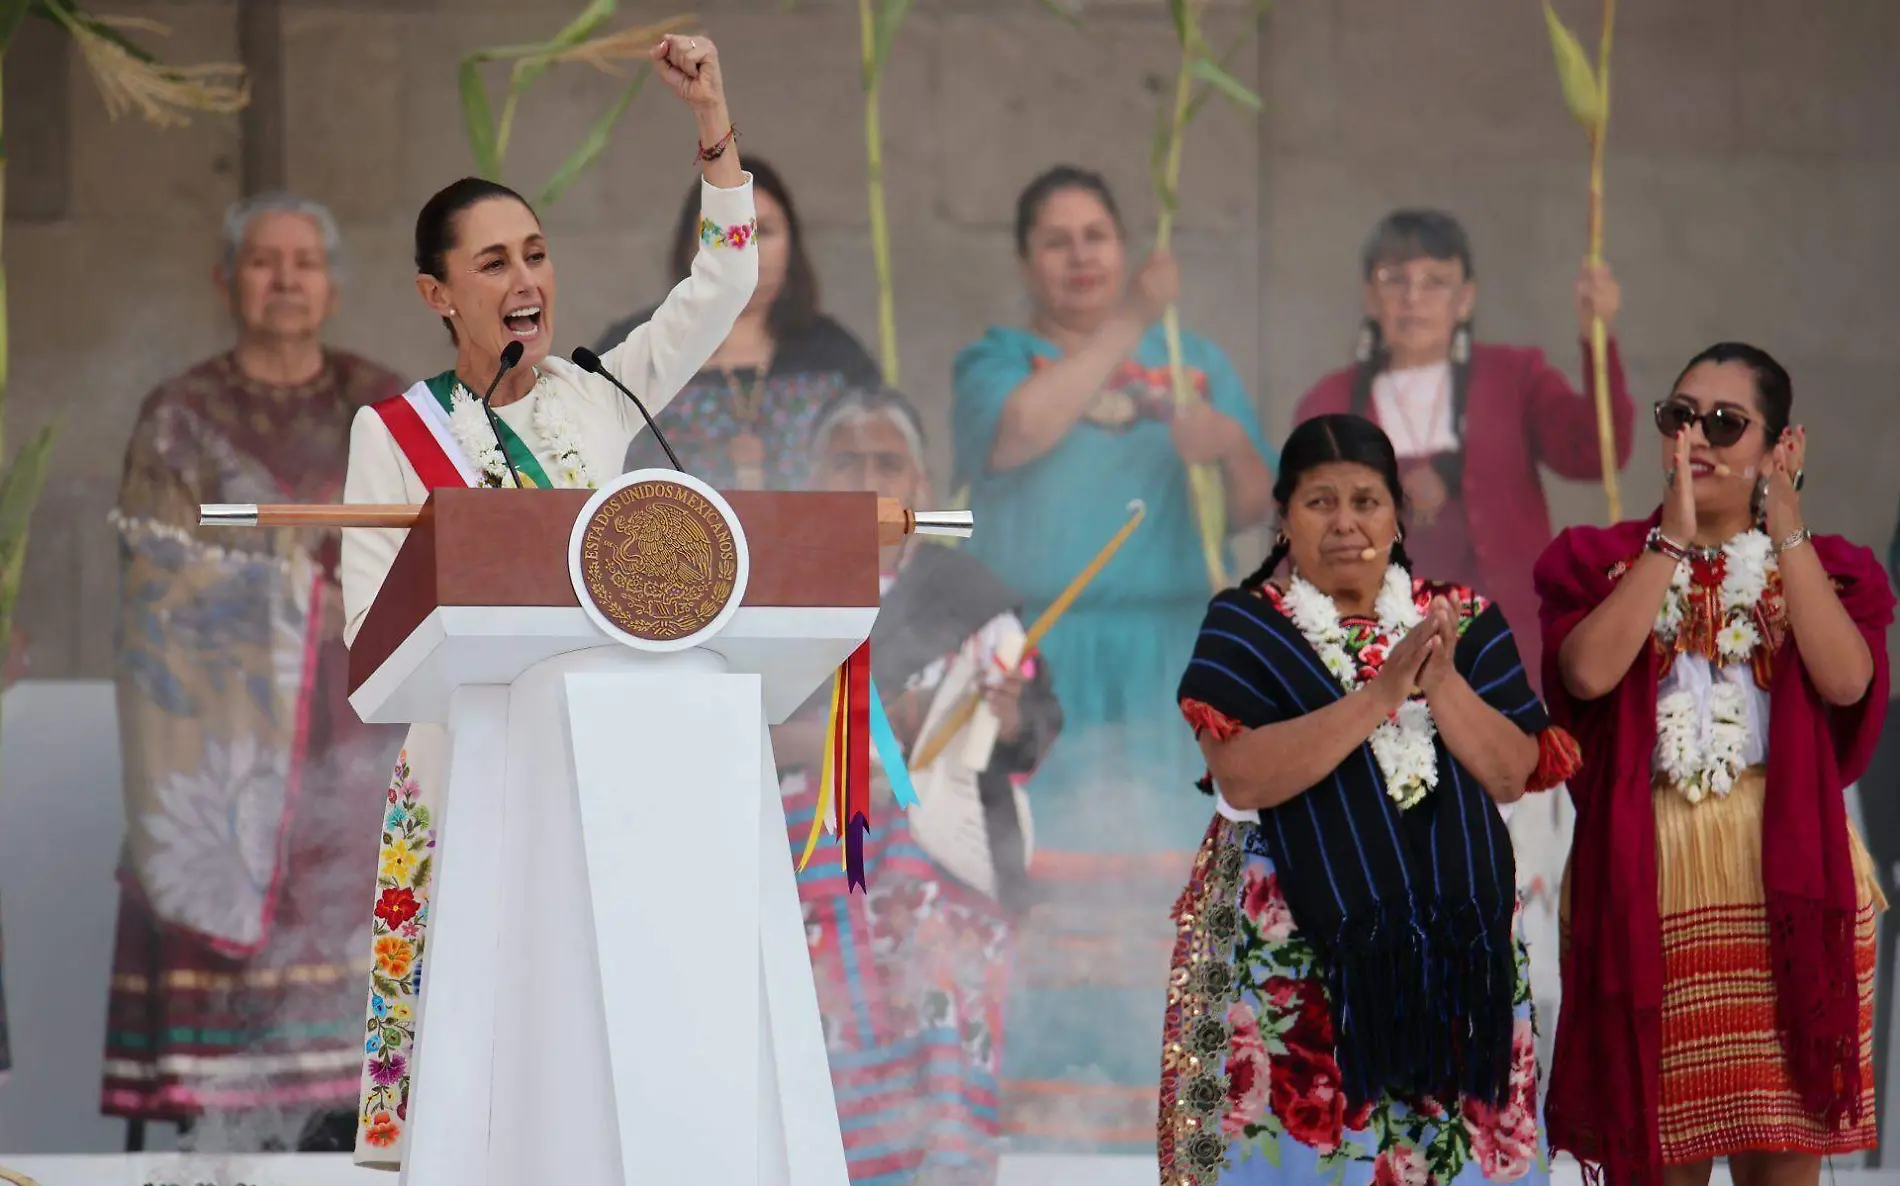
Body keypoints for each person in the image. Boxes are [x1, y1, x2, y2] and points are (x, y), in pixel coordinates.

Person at [337, 33, 756, 1170]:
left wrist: (710, 121)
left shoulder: (599, 397)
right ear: (437, 293)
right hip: (471, 779)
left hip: (608, 783)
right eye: (491, 264)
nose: (525, 281)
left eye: (535, 252)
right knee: (473, 1083)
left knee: (592, 1076)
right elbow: (370, 651)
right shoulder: (396, 434)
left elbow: (721, 285)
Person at [951, 163, 1275, 1152]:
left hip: (1173, 648)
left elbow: (1261, 506)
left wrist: (1223, 444)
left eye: (1097, 233)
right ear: (1023, 259)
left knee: (1171, 868)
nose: (1081, 254)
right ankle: (1038, 1114)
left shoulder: (1193, 358)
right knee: (1039, 867)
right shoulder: (996, 359)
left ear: (1124, 240)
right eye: (1057, 239)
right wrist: (1132, 317)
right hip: (1039, 658)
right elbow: (1016, 436)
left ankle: (1168, 1096)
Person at [1161, 413, 1571, 1186]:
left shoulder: (1464, 623)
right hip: (1292, 945)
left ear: (1397, 516)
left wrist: (1440, 681)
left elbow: (1513, 772)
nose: (1345, 523)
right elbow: (1242, 776)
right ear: (1284, 517)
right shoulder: (1246, 626)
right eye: (1319, 503)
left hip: (1451, 951)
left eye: (1365, 501)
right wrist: (1381, 695)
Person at [1537, 343, 1892, 1186]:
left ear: (1780, 449)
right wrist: (1669, 542)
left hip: (1788, 880)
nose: (1697, 437)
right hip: (1647, 884)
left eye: (1726, 424)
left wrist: (1786, 528)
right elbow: (1585, 675)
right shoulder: (1602, 560)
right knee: (1656, 1158)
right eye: (1679, 417)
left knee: (1782, 1160)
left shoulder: (1830, 568)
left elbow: (1846, 680)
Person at [103, 191, 405, 1152]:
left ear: (333, 285)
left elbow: (432, 551)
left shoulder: (384, 406)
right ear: (226, 280)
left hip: (360, 731)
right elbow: (154, 582)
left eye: (304, 262)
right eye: (265, 261)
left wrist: (336, 578)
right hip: (228, 730)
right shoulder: (179, 418)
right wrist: (294, 577)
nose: (284, 280)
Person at [773, 386, 1062, 1184]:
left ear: (923, 489)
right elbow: (734, 730)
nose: (868, 479)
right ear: (813, 479)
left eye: (887, 463)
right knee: (820, 1091)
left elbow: (1034, 722)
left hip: (945, 885)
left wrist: (1005, 718)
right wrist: (861, 733)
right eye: (847, 461)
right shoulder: (770, 591)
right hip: (805, 883)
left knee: (944, 1089)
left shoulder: (968, 596)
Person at [1294, 209, 1633, 688]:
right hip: (1377, 659)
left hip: (1511, 644)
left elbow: (1597, 453)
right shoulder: (1327, 403)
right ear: (1370, 295)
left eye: (1435, 281)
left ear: (1466, 298)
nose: (1413, 299)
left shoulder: (1515, 377)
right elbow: (1303, 537)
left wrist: (1598, 337)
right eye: (1395, 280)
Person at [593, 157, 881, 488]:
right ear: (690, 244)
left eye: (765, 231)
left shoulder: (837, 356)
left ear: (793, 245)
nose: (746, 249)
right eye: (728, 232)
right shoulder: (640, 346)